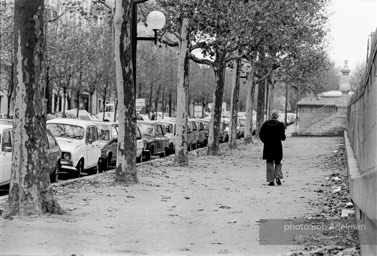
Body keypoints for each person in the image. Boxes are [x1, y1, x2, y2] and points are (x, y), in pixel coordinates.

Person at [259, 112, 286, 186]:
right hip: (277, 146)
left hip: (268, 146)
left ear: (271, 116)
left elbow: (261, 135)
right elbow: (283, 137)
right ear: (277, 117)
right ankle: (278, 177)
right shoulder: (280, 124)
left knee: (269, 162)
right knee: (278, 162)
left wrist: (265, 142)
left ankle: (271, 180)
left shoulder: (265, 124)